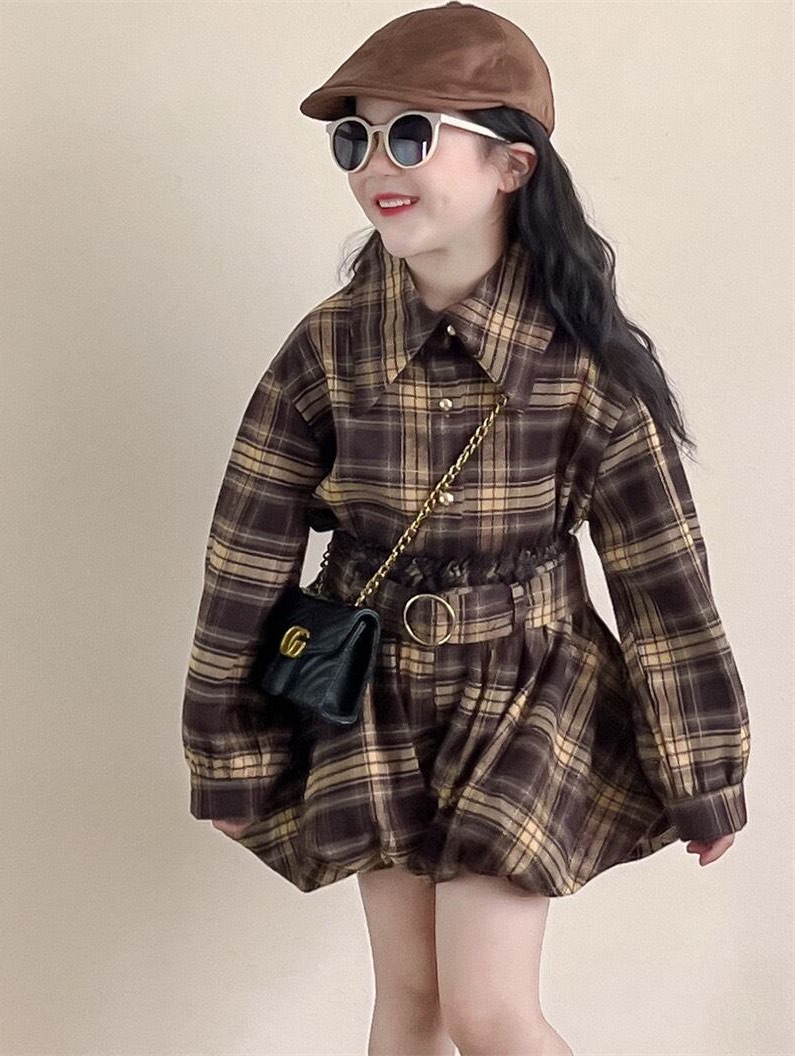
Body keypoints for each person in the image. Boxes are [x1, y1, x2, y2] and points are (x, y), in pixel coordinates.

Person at [180, 4, 750, 1053]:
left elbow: (662, 584)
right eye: (354, 138)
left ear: (511, 165)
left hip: (528, 687)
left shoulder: (583, 368)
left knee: (489, 1009)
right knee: (412, 1002)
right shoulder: (329, 349)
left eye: (411, 135)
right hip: (371, 692)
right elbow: (245, 554)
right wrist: (229, 749)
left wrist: (701, 768)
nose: (373, 165)